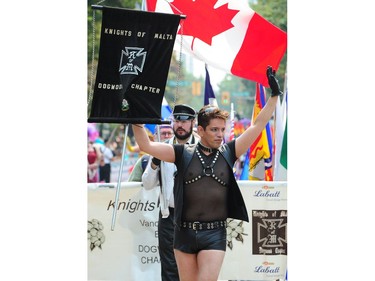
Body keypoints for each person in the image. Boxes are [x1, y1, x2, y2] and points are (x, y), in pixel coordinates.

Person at [131, 66, 283, 281]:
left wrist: (275, 96)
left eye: (222, 129)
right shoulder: (181, 153)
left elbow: (258, 125)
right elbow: (145, 144)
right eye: (214, 129)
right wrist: (137, 114)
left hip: (214, 234)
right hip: (182, 232)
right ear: (200, 130)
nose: (220, 134)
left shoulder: (230, 151)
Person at [141, 104, 200, 281]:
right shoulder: (161, 148)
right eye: (177, 120)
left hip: (196, 217)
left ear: (193, 123)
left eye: (185, 121)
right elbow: (147, 184)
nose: (180, 125)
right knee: (169, 268)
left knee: (195, 267)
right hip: (169, 217)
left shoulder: (203, 148)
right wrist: (154, 163)